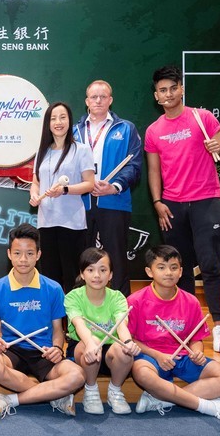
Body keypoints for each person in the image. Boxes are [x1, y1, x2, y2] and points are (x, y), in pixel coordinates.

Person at [145, 65, 220, 351]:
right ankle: (185, 326)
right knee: (176, 269)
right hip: (172, 206)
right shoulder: (154, 131)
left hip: (206, 200)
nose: (168, 94)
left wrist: (216, 150)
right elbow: (154, 171)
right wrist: (158, 202)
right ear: (156, 96)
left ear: (181, 89)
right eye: (162, 90)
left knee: (210, 265)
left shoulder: (202, 117)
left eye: (173, 88)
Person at [127, 245, 220, 421]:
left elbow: (196, 338)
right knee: (142, 373)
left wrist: (198, 352)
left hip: (184, 357)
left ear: (181, 271)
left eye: (174, 267)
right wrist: (157, 355)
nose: (168, 273)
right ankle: (208, 407)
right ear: (149, 271)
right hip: (151, 357)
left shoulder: (191, 301)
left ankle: (163, 400)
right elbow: (129, 339)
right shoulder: (135, 300)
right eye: (161, 267)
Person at [0, 223, 85, 420]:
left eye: (29, 253)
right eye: (18, 253)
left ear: (38, 255)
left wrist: (56, 347)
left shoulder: (53, 288)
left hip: (44, 352)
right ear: (9, 254)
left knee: (77, 375)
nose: (23, 259)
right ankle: (53, 397)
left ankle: (12, 400)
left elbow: (58, 330)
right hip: (11, 351)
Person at [73, 80, 143, 298]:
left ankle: (122, 313)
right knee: (81, 257)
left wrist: (114, 186)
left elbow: (134, 164)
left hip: (114, 201)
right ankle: (79, 314)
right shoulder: (74, 130)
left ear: (110, 100)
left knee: (117, 258)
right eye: (94, 97)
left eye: (103, 96)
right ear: (86, 101)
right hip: (79, 203)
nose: (98, 100)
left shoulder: (125, 128)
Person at [64, 247, 140, 415]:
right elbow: (79, 325)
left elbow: (122, 325)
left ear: (111, 274)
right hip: (83, 348)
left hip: (110, 351)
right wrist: (91, 343)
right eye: (90, 270)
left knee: (126, 351)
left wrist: (128, 343)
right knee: (95, 343)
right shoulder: (73, 297)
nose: (97, 275)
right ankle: (90, 390)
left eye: (103, 270)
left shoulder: (118, 297)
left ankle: (115, 390)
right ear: (82, 274)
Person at [29, 102, 95, 293]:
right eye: (53, 118)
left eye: (62, 117)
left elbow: (89, 184)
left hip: (72, 223)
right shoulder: (41, 152)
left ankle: (72, 322)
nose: (58, 122)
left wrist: (64, 190)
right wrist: (34, 195)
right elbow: (36, 182)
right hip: (46, 222)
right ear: (47, 123)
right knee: (49, 277)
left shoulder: (81, 150)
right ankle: (55, 322)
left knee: (72, 276)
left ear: (69, 120)